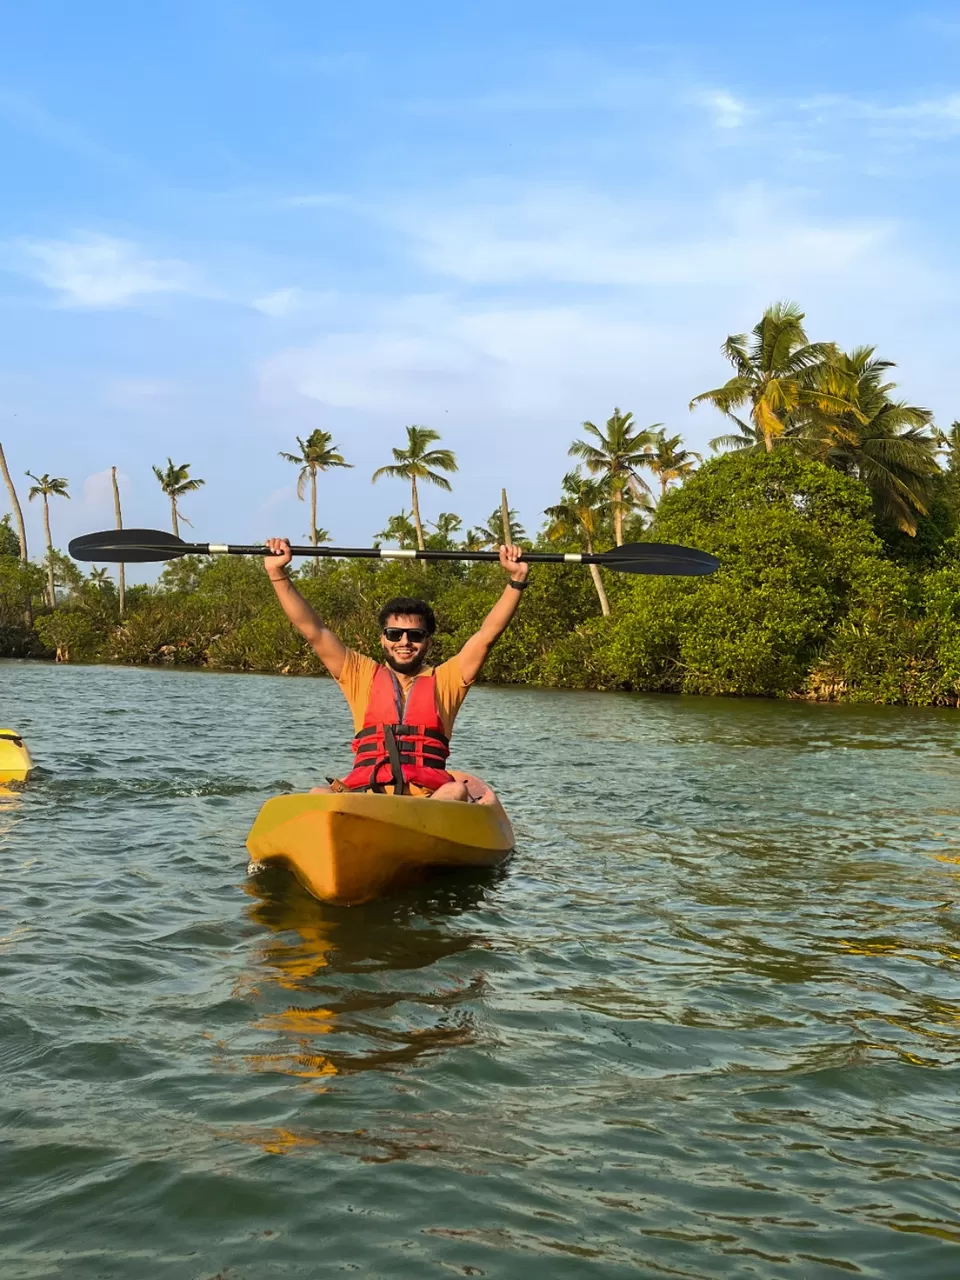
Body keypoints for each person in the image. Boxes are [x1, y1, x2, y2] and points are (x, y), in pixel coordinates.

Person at [263, 538, 530, 801]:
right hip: (367, 794)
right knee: (317, 794)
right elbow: (315, 631)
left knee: (456, 790)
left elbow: (486, 635)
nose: (404, 642)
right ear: (383, 639)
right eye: (394, 633)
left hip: (428, 798)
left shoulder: (447, 680)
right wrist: (277, 574)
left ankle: (422, 835)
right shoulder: (360, 674)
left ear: (428, 641)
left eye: (415, 634)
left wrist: (516, 580)